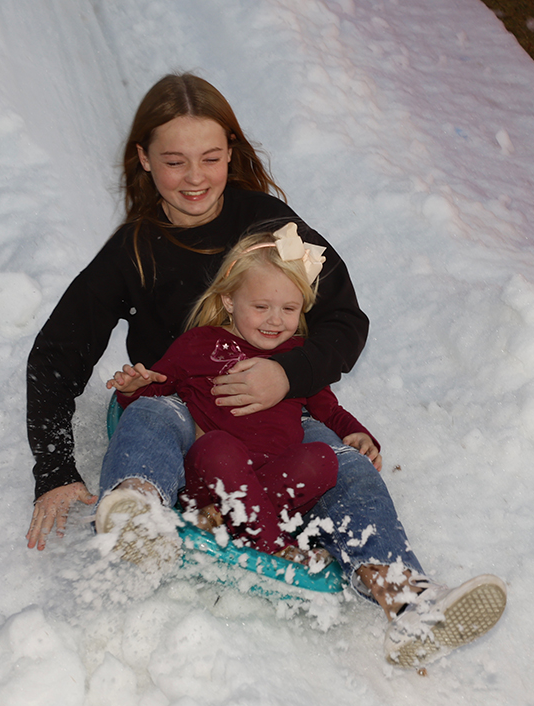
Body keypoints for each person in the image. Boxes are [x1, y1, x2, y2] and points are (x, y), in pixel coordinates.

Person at [25, 72, 506, 667]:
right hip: (183, 403)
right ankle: (138, 511)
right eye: (175, 161)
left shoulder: (271, 228)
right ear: (144, 160)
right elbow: (56, 355)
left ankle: (407, 602)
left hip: (276, 407)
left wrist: (288, 375)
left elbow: (344, 322)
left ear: (232, 152)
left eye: (210, 157)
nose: (195, 177)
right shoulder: (135, 249)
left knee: (347, 468)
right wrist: (52, 468)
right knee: (147, 413)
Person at [106, 225, 382, 565]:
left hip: (275, 479)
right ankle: (274, 546)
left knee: (324, 459)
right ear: (229, 301)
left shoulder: (297, 356)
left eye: (289, 309)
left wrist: (356, 432)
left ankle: (221, 519)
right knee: (218, 446)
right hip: (211, 476)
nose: (275, 320)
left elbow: (327, 407)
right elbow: (157, 389)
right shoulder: (201, 343)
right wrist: (134, 387)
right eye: (261, 306)